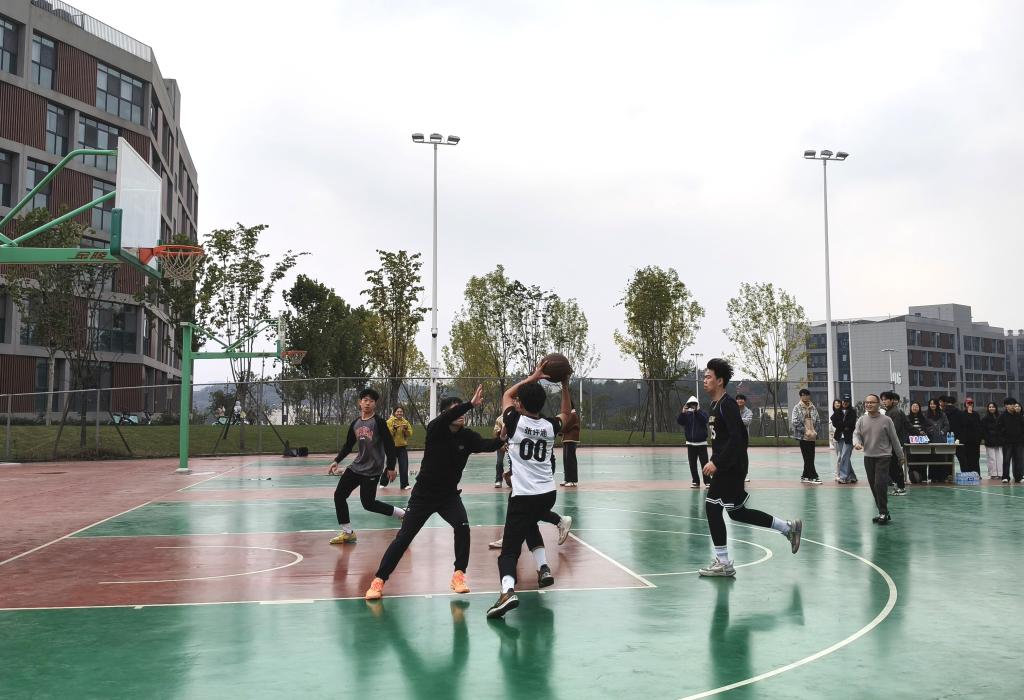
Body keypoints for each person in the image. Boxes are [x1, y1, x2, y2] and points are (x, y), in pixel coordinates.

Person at [364, 386, 503, 600]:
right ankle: (379, 580)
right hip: (423, 496)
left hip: (449, 496)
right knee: (404, 538)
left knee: (463, 527)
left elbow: (488, 444)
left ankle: (458, 575)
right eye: (456, 410)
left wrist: (502, 437)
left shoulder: (467, 436)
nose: (461, 414)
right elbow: (447, 417)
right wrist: (469, 404)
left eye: (462, 410)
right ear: (446, 413)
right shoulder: (435, 429)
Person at [698, 358, 802, 577]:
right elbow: (722, 439)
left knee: (712, 507)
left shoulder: (727, 405)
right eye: (704, 376)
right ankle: (788, 528)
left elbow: (738, 439)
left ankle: (724, 563)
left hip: (731, 466)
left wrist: (717, 462)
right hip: (727, 465)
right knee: (737, 512)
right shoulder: (714, 405)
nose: (704, 380)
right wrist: (715, 458)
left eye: (708, 377)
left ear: (720, 380)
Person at [487, 361, 572, 619]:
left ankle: (507, 592)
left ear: (521, 405)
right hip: (547, 494)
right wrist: (565, 386)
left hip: (523, 495)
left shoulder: (513, 421)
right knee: (530, 526)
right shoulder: (549, 426)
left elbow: (506, 394)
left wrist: (533, 377)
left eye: (518, 401)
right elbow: (566, 413)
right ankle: (544, 568)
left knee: (509, 551)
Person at [326, 388, 403, 544]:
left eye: (371, 401)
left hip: (372, 469)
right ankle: (348, 532)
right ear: (360, 403)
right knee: (339, 495)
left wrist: (391, 467)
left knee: (368, 504)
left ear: (375, 404)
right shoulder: (355, 423)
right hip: (356, 467)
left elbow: (389, 445)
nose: (367, 403)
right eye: (365, 400)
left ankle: (403, 514)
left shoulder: (379, 422)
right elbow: (348, 445)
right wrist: (337, 460)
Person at [853, 394, 906, 525]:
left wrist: (900, 456)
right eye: (867, 402)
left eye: (872, 402)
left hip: (883, 457)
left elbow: (894, 439)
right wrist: (857, 443)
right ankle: (883, 511)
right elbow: (856, 434)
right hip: (868, 457)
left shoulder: (886, 420)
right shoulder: (862, 420)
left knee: (879, 484)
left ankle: (883, 512)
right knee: (873, 486)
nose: (868, 404)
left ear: (878, 404)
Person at [677, 396, 710, 488]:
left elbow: (705, 420)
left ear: (697, 405)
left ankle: (708, 481)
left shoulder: (702, 413)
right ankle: (695, 481)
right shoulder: (687, 414)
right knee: (692, 464)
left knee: (704, 463)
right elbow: (680, 422)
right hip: (690, 443)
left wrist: (697, 411)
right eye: (690, 404)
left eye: (694, 404)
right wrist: (683, 412)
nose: (692, 406)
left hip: (702, 443)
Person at [791, 389, 822, 484]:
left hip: (812, 436)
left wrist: (815, 432)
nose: (805, 397)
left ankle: (805, 476)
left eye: (807, 395)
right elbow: (795, 421)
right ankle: (814, 477)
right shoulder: (797, 407)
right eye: (803, 395)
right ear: (800, 396)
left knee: (811, 457)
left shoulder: (813, 407)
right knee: (807, 457)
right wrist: (805, 431)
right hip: (803, 436)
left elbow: (818, 420)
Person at [880, 392, 907, 495]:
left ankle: (901, 487)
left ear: (892, 401)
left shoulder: (895, 412)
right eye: (882, 399)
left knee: (895, 466)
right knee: (892, 467)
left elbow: (894, 430)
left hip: (894, 444)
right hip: (890, 444)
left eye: (886, 399)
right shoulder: (888, 412)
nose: (884, 401)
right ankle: (897, 486)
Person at [380, 405, 413, 489]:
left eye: (401, 412)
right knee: (390, 466)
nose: (399, 413)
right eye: (398, 411)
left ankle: (404, 485)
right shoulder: (389, 421)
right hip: (392, 448)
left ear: (403, 413)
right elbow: (387, 434)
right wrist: (394, 429)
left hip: (402, 447)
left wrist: (405, 429)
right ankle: (383, 482)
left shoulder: (405, 422)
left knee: (404, 466)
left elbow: (409, 434)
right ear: (394, 413)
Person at [831, 395, 858, 484]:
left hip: (848, 437)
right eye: (843, 401)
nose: (845, 403)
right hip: (839, 437)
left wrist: (842, 425)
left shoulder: (852, 411)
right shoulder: (838, 411)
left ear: (849, 402)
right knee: (845, 458)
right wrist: (843, 426)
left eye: (847, 401)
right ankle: (852, 476)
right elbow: (834, 422)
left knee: (844, 456)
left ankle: (843, 477)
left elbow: (851, 424)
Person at [997, 398, 1023, 483]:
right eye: (1011, 404)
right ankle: (1005, 477)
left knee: (1018, 460)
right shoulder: (1002, 416)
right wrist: (1003, 438)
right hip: (1007, 442)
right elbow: (998, 428)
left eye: (1014, 404)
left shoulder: (1018, 415)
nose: (1013, 406)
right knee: (1006, 460)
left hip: (1018, 442)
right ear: (1006, 406)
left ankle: (1018, 477)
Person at [924, 399, 950, 483]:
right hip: (931, 439)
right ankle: (933, 477)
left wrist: (942, 432)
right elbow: (924, 426)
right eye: (931, 404)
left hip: (941, 440)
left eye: (934, 404)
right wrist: (929, 430)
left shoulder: (942, 414)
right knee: (932, 458)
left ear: (937, 405)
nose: (932, 405)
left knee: (942, 457)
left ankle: (942, 476)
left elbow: (947, 425)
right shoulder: (926, 415)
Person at [956, 398, 983, 475]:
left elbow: (978, 426)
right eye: (968, 403)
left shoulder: (976, 414)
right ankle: (966, 474)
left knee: (975, 458)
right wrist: (969, 414)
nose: (970, 405)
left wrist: (979, 438)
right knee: (965, 458)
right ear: (965, 404)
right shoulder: (962, 414)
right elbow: (963, 425)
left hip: (974, 441)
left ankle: (976, 474)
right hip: (965, 441)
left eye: (971, 403)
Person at [906, 401, 929, 484]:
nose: (915, 408)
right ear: (911, 408)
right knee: (912, 460)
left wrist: (924, 432)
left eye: (916, 406)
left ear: (919, 408)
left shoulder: (924, 418)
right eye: (913, 406)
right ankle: (913, 477)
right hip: (911, 442)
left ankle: (923, 477)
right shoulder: (907, 418)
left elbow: (927, 428)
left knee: (923, 459)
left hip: (922, 442)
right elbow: (906, 429)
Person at [981, 402, 1003, 480]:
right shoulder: (985, 418)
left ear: (996, 408)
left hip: (999, 441)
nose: (991, 408)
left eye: (993, 407)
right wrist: (987, 438)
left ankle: (1000, 473)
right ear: (988, 408)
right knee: (991, 458)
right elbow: (983, 430)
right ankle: (993, 474)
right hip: (989, 441)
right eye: (990, 407)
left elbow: (1002, 428)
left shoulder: (1000, 417)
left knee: (999, 458)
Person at [560, 403, 581, 486]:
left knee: (570, 460)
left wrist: (559, 429)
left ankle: (572, 480)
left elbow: (566, 425)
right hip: (566, 439)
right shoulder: (570, 415)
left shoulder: (573, 415)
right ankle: (567, 479)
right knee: (566, 460)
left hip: (571, 439)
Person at [736, 394, 753, 483]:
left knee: (743, 457)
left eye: (741, 399)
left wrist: (736, 419)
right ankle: (735, 474)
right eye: (738, 399)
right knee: (734, 456)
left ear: (744, 401)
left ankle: (744, 475)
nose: (740, 401)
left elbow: (747, 422)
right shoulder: (733, 410)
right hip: (733, 437)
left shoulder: (748, 411)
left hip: (743, 438)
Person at [493, 413, 508, 488]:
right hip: (501, 443)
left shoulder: (519, 416)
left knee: (515, 462)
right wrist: (500, 444)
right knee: (499, 461)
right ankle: (498, 480)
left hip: (514, 444)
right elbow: (496, 433)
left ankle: (515, 480)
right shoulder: (500, 418)